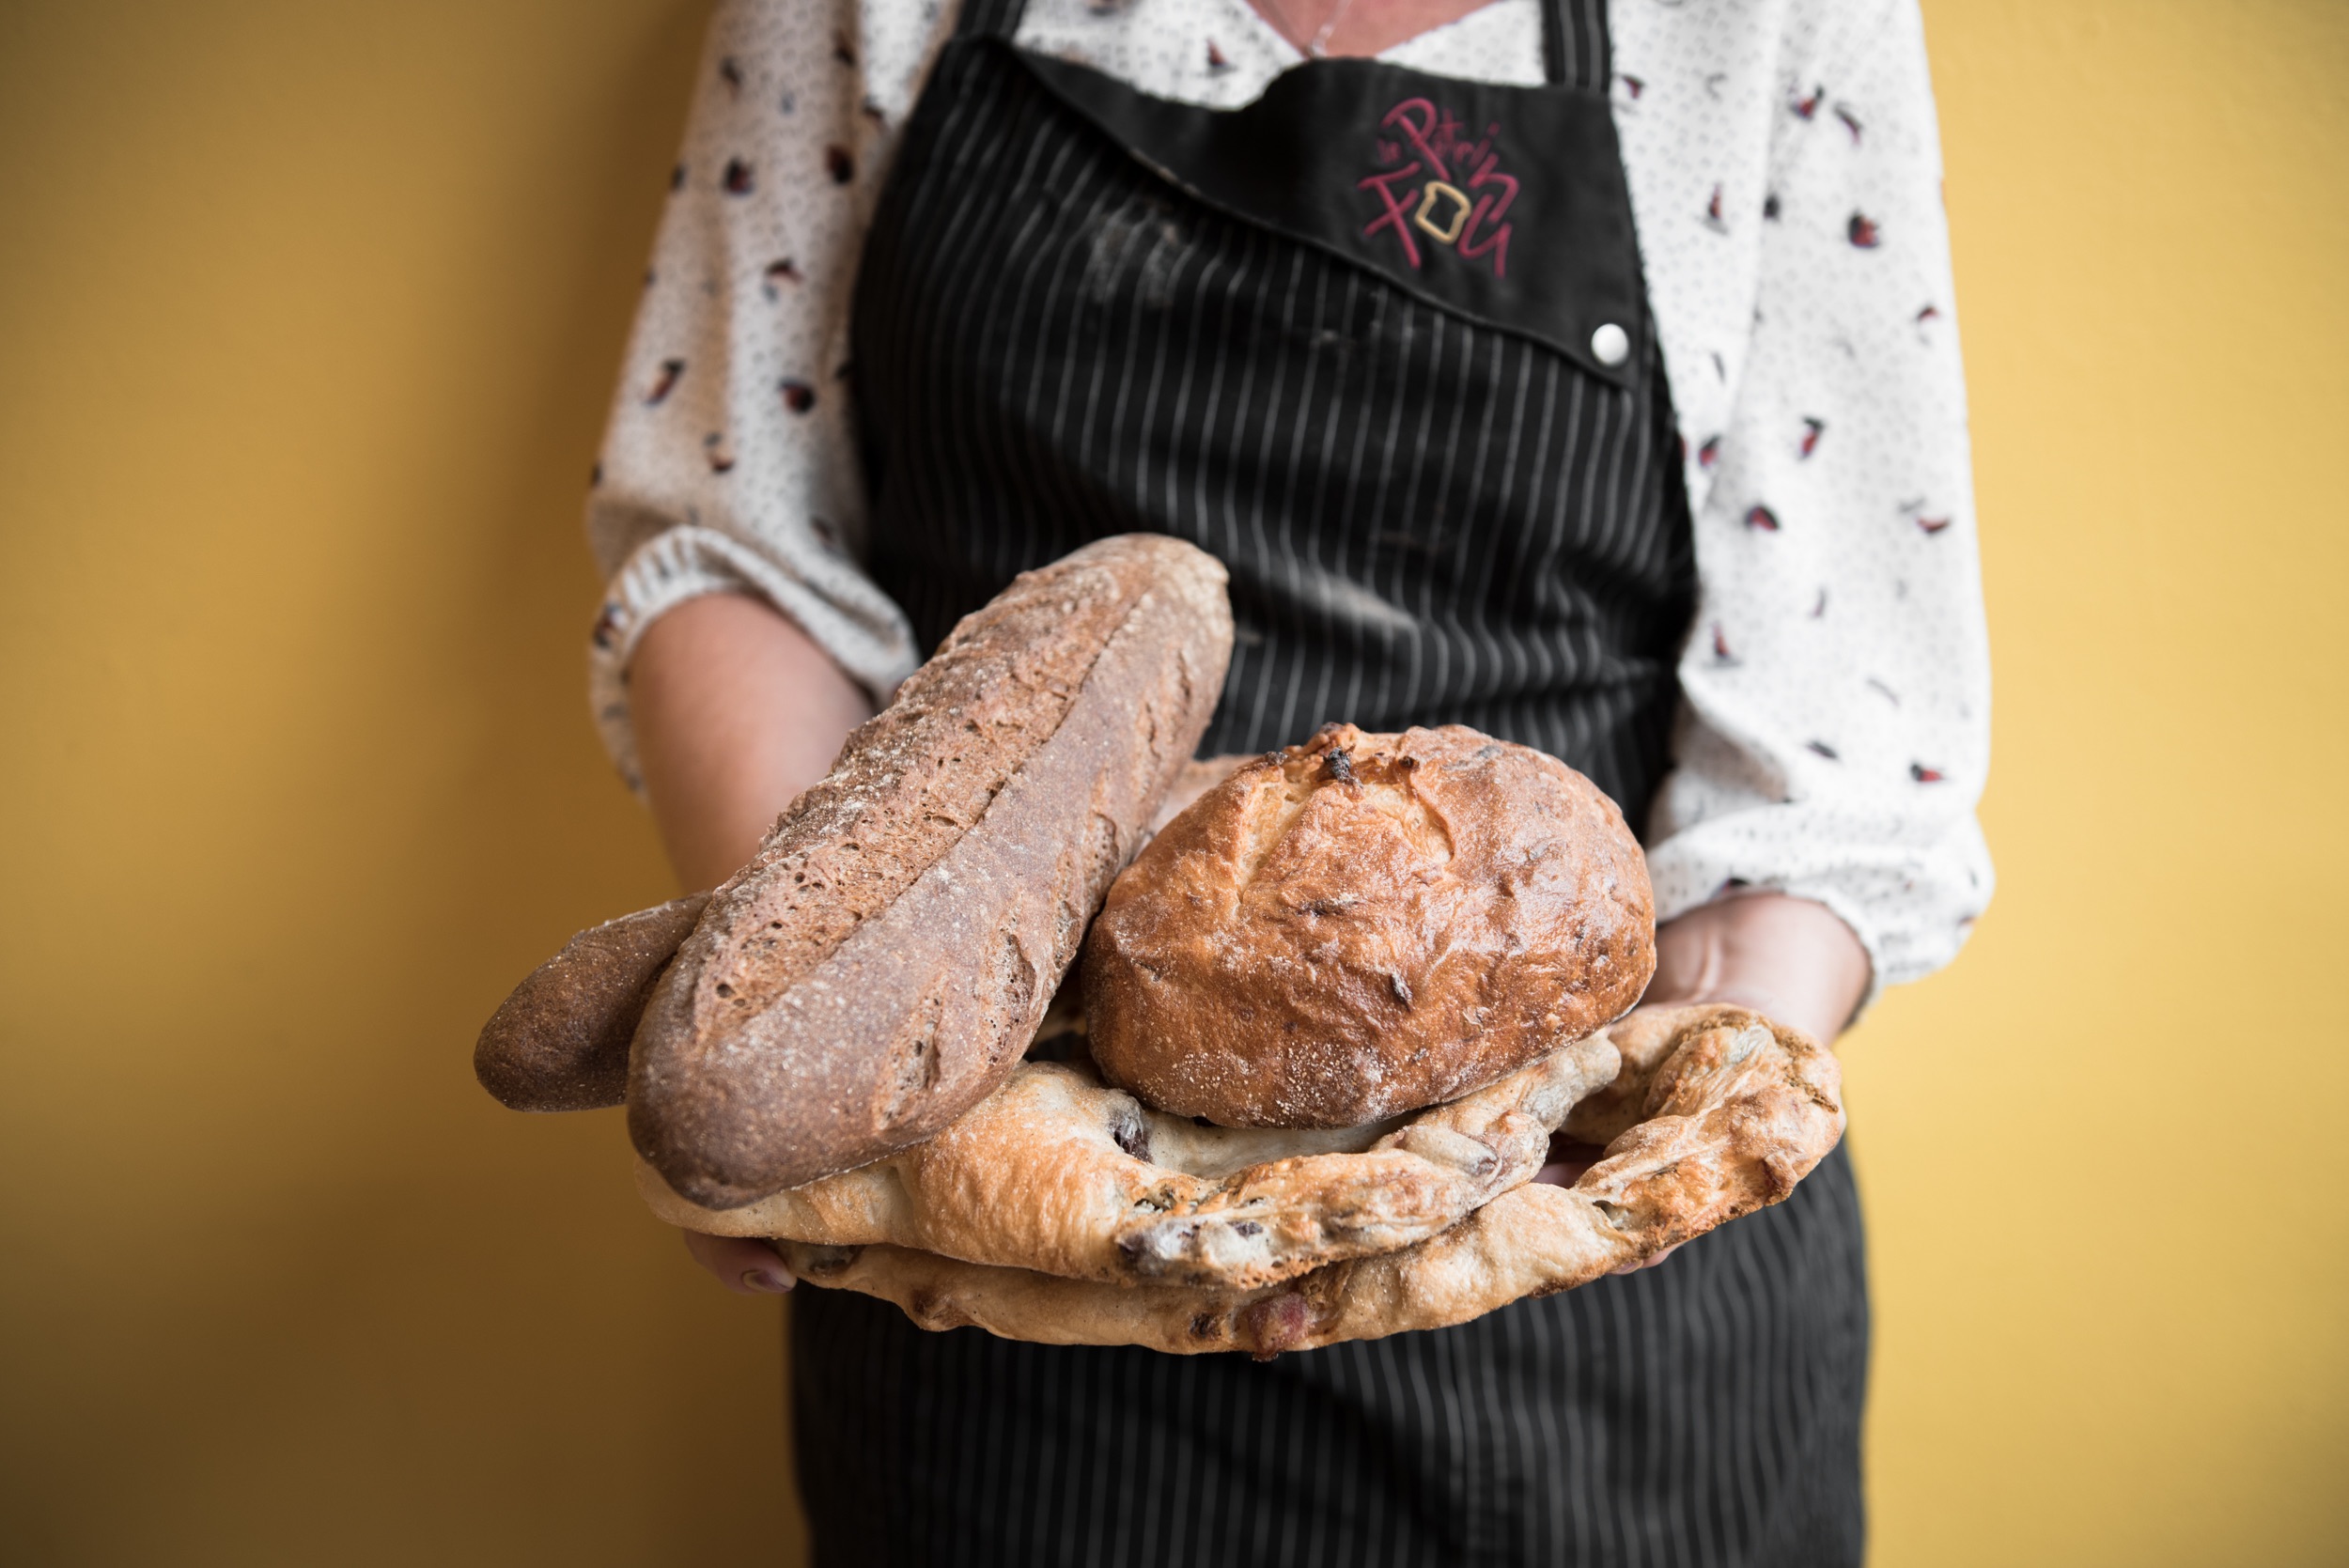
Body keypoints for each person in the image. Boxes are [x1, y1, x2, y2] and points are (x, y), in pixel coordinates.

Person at [582, 0, 1992, 1560]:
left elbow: (1845, 731)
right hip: (1009, 1296)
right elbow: (738, 541)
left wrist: (1581, 1158)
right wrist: (832, 1069)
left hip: (1593, 1343)